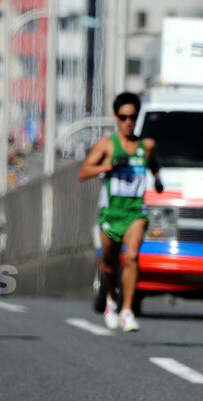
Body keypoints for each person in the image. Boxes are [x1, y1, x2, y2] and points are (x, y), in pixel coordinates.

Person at [79, 92, 162, 332]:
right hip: (110, 214)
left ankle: (127, 310)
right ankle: (112, 300)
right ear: (116, 117)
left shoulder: (146, 146)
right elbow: (83, 172)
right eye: (123, 116)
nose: (128, 121)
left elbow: (154, 163)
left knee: (133, 256)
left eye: (133, 117)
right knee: (109, 264)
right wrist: (110, 166)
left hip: (135, 212)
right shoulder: (107, 145)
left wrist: (157, 179)